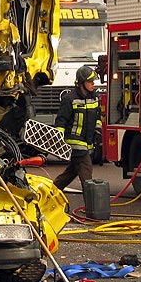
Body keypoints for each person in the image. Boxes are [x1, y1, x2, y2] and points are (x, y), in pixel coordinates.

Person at [52, 65, 102, 193]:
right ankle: (92, 209)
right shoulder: (69, 99)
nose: (93, 85)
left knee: (69, 174)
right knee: (87, 179)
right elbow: (61, 121)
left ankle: (49, 194)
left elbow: (97, 116)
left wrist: (98, 131)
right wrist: (59, 140)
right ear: (81, 83)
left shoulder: (94, 97)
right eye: (90, 82)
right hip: (75, 143)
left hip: (87, 143)